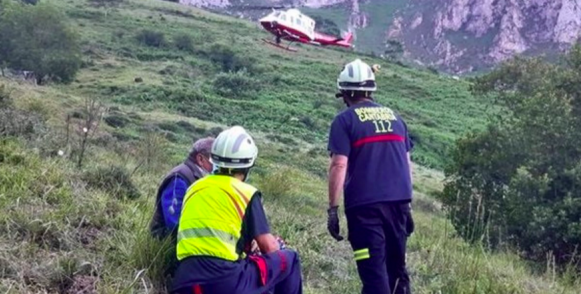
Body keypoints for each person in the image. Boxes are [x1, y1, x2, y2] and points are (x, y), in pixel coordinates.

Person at [170, 126, 303, 294]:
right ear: (247, 165)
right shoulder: (246, 193)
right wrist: (280, 247)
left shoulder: (194, 189)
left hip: (184, 281)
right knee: (290, 260)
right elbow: (270, 248)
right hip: (224, 282)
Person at [326, 59, 415, 294]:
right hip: (399, 205)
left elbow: (338, 164)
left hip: (365, 209)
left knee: (374, 274)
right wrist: (409, 208)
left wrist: (333, 209)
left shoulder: (344, 121)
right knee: (397, 272)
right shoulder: (396, 118)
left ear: (345, 92)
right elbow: (406, 164)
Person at [150, 137, 215, 239]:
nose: (216, 165)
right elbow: (174, 222)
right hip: (165, 242)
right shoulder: (179, 178)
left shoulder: (198, 177)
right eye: (213, 160)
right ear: (200, 159)